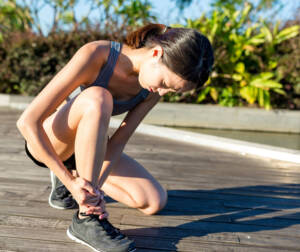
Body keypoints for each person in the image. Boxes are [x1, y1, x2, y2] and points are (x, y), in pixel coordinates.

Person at [16, 23, 214, 252]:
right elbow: (28, 122)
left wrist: (94, 192)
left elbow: (118, 141)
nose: (162, 92)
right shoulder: (97, 54)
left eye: (171, 91)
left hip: (89, 151)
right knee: (99, 97)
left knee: (154, 201)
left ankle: (81, 181)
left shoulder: (150, 90)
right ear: (157, 53)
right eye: (165, 84)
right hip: (50, 142)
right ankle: (86, 220)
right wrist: (71, 184)